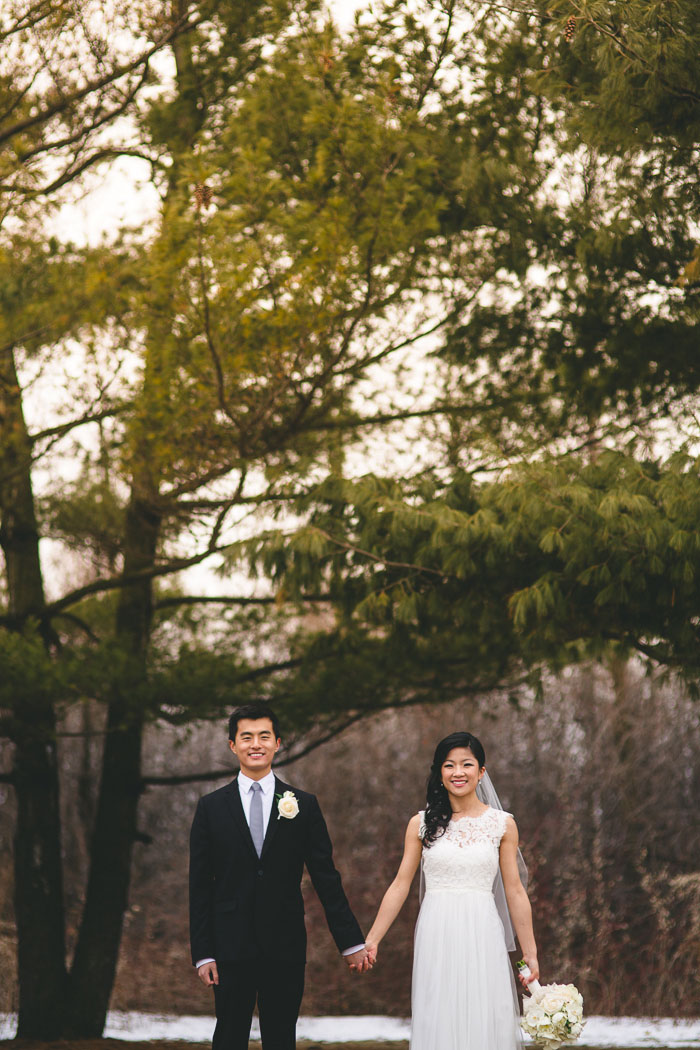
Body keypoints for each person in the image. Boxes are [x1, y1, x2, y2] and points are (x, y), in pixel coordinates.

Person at [189, 702, 371, 1050]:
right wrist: (203, 953)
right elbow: (199, 886)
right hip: (228, 946)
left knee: (281, 1037)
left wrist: (351, 942)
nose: (255, 744)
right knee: (228, 1037)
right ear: (232, 745)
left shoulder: (303, 805)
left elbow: (326, 878)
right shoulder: (210, 808)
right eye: (246, 737)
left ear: (277, 743)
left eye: (264, 736)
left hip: (284, 943)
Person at [365, 731, 539, 1050]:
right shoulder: (419, 824)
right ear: (439, 773)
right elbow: (401, 883)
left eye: (466, 764)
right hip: (437, 930)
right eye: (449, 765)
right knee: (439, 1013)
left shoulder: (502, 825)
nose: (458, 772)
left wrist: (529, 952)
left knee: (485, 1014)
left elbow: (514, 890)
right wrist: (373, 939)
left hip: (482, 931)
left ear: (481, 772)